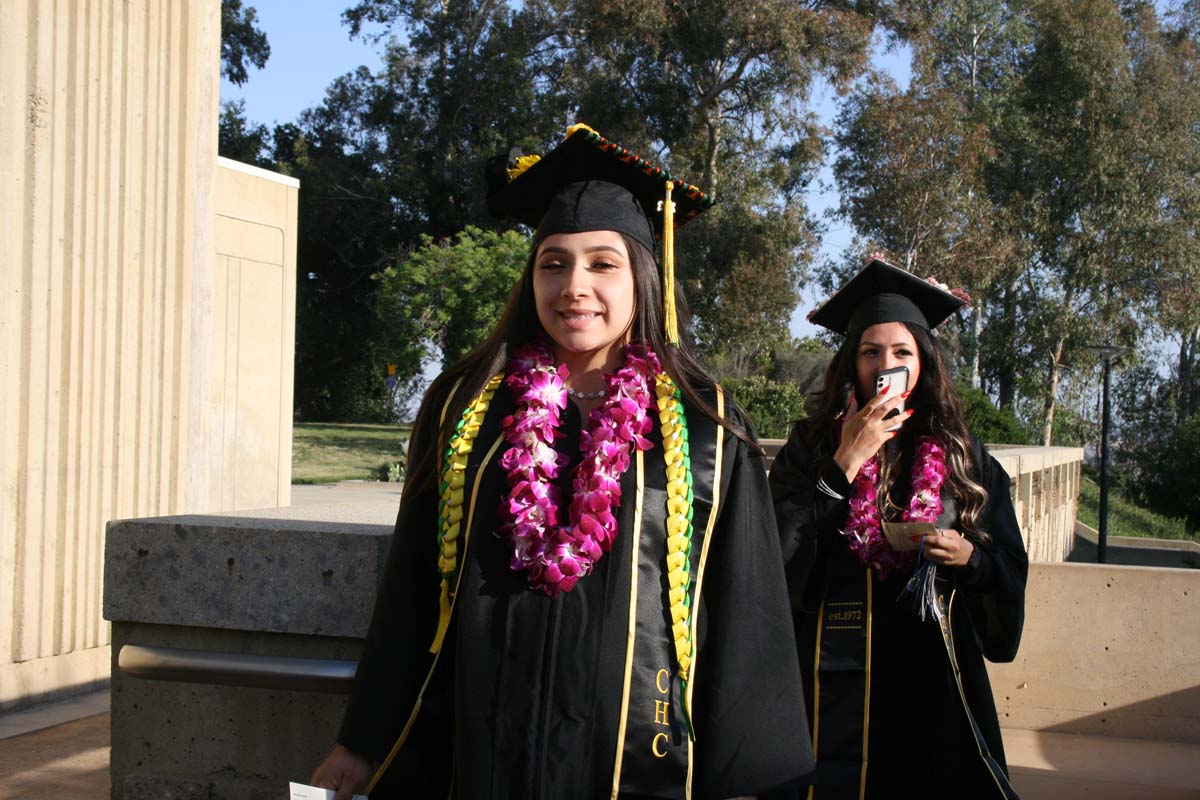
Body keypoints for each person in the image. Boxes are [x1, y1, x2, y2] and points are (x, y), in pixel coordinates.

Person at [311, 124, 814, 799]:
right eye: (554, 262)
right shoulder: (468, 407)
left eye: (602, 263)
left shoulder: (704, 425)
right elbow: (410, 586)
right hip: (481, 751)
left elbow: (744, 614)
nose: (575, 286)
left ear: (641, 277)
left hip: (638, 758)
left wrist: (752, 782)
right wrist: (362, 740)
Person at [767, 257, 1028, 800]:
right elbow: (773, 550)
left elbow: (1006, 566)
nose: (885, 365)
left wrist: (971, 561)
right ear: (851, 364)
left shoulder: (963, 458)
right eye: (870, 352)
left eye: (902, 352)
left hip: (931, 677)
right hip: (830, 675)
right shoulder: (812, 445)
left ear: (923, 365)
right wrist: (842, 465)